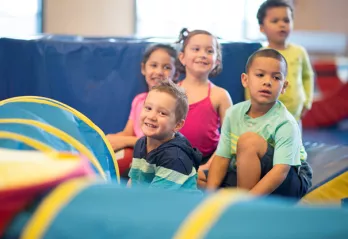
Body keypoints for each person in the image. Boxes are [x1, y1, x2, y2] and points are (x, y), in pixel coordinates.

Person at [201, 49, 312, 198]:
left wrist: (247, 202)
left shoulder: (285, 122)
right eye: (260, 75)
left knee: (249, 142)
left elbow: (280, 171)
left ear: (284, 87)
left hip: (289, 177)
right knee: (200, 178)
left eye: (276, 77)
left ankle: (245, 204)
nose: (267, 82)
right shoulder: (233, 113)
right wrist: (210, 194)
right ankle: (233, 197)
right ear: (245, 80)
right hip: (251, 173)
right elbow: (222, 157)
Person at [246, 0, 314, 122]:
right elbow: (251, 82)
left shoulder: (299, 52)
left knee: (294, 140)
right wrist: (252, 106)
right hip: (268, 115)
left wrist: (307, 102)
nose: (282, 24)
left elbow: (308, 77)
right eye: (275, 21)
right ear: (262, 28)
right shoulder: (259, 55)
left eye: (286, 20)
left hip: (295, 114)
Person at [128, 80, 201, 191]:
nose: (152, 116)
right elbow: (133, 183)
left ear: (177, 125)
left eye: (162, 113)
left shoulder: (175, 158)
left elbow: (155, 201)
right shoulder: (140, 144)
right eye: (148, 108)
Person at [176, 28, 232, 167]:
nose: (203, 55)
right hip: (174, 158)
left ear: (217, 61)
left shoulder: (220, 95)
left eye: (209, 51)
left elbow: (229, 138)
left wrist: (208, 167)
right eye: (196, 49)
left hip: (209, 160)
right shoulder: (171, 92)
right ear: (182, 57)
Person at [106, 44, 178, 151]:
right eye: (153, 65)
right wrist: (110, 139)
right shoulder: (139, 100)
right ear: (143, 68)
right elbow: (127, 133)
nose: (159, 72)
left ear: (176, 74)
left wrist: (125, 141)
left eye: (167, 67)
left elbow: (160, 142)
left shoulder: (174, 104)